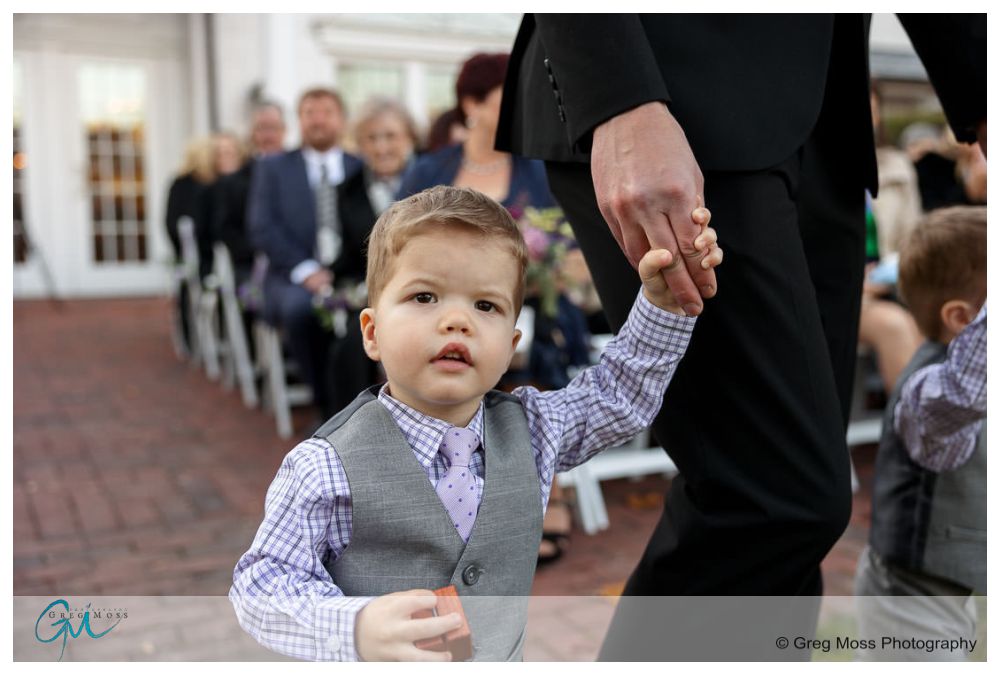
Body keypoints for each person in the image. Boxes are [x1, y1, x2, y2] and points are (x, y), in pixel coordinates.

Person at [497, 14, 985, 659]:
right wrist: (618, 99)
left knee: (791, 516)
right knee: (773, 498)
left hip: (824, 125)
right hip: (669, 99)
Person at [229, 185, 723, 661]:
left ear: (509, 348)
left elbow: (618, 395)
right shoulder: (325, 466)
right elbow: (261, 584)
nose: (457, 320)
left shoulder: (533, 431)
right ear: (373, 332)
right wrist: (354, 626)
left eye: (484, 305)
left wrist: (663, 305)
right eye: (425, 297)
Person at [855, 206, 986, 661]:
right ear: (963, 319)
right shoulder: (930, 392)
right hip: (906, 595)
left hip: (950, 588)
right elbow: (969, 391)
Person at [248, 87, 374, 420]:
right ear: (299, 121)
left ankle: (365, 405)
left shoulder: (361, 166)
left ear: (342, 120)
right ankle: (327, 406)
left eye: (327, 112)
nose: (318, 120)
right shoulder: (274, 169)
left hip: (352, 272)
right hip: (294, 276)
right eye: (309, 113)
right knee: (301, 312)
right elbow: (262, 226)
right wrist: (306, 271)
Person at [398, 53, 553, 210]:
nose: (523, 105)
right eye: (512, 95)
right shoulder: (427, 172)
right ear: (472, 104)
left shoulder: (541, 174)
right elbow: (395, 230)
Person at [213, 101, 287, 287]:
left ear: (284, 130)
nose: (268, 135)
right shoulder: (235, 181)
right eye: (262, 128)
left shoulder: (301, 172)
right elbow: (226, 228)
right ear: (252, 133)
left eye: (273, 128)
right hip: (252, 267)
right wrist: (258, 254)